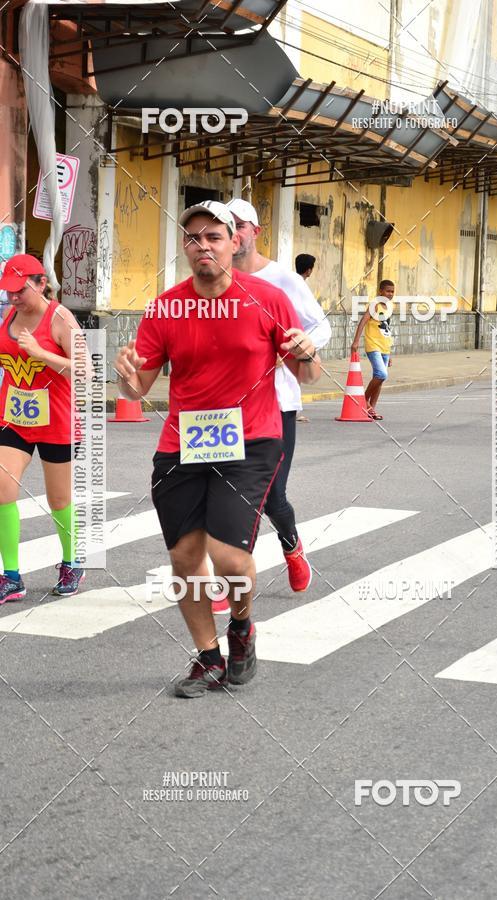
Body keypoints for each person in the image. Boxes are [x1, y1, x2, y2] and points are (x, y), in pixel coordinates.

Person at [115, 200, 321, 697]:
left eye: (213, 236)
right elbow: (138, 389)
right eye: (193, 238)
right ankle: (208, 657)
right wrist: (125, 380)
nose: (202, 245)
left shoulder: (268, 299)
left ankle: (242, 628)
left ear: (234, 242)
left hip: (250, 440)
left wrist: (307, 354)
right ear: (185, 248)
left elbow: (308, 375)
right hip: (183, 443)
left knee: (230, 560)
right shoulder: (166, 306)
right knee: (186, 559)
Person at [229, 199, 331, 592]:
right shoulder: (212, 281)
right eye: (227, 226)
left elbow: (319, 325)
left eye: (240, 225)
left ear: (255, 231)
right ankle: (232, 577)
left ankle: (292, 548)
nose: (233, 233)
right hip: (225, 408)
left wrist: (304, 341)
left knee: (272, 498)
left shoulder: (284, 280)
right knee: (229, 494)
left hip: (277, 404)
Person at [0, 254, 86, 603]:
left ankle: (72, 561)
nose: (14, 298)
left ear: (40, 284)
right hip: (14, 418)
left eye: (20, 290)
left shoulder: (61, 318)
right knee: (2, 489)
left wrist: (41, 353)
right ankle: (12, 576)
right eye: (9, 291)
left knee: (59, 499)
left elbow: (86, 372)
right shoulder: (9, 315)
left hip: (57, 422)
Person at [351, 279, 395, 420]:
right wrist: (356, 341)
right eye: (387, 291)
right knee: (381, 374)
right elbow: (363, 321)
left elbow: (387, 329)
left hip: (385, 347)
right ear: (380, 291)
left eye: (392, 291)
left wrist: (390, 352)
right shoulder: (375, 305)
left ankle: (371, 409)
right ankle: (363, 401)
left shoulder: (389, 307)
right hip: (373, 345)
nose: (390, 294)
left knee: (380, 379)